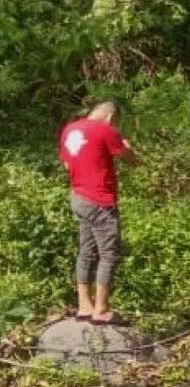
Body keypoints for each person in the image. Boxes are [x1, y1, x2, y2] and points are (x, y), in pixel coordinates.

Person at [59, 101, 137, 325]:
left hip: (79, 196)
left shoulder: (70, 129)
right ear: (111, 117)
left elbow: (66, 164)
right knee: (109, 254)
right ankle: (101, 310)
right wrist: (126, 145)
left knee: (87, 251)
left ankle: (84, 305)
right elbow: (130, 160)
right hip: (100, 200)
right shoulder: (106, 129)